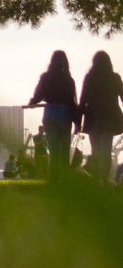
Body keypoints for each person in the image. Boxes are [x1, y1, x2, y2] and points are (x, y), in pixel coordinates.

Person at [27, 51, 78, 182]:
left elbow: (38, 94)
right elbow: (73, 102)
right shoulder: (69, 80)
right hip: (64, 113)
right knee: (64, 149)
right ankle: (65, 179)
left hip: (49, 113)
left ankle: (53, 178)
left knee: (53, 149)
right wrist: (77, 122)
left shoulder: (45, 77)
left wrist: (33, 102)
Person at [78, 50, 123, 182]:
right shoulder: (114, 77)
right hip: (110, 119)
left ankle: (96, 178)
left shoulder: (89, 78)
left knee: (96, 150)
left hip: (93, 119)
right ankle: (103, 179)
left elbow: (82, 100)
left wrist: (77, 120)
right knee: (106, 150)